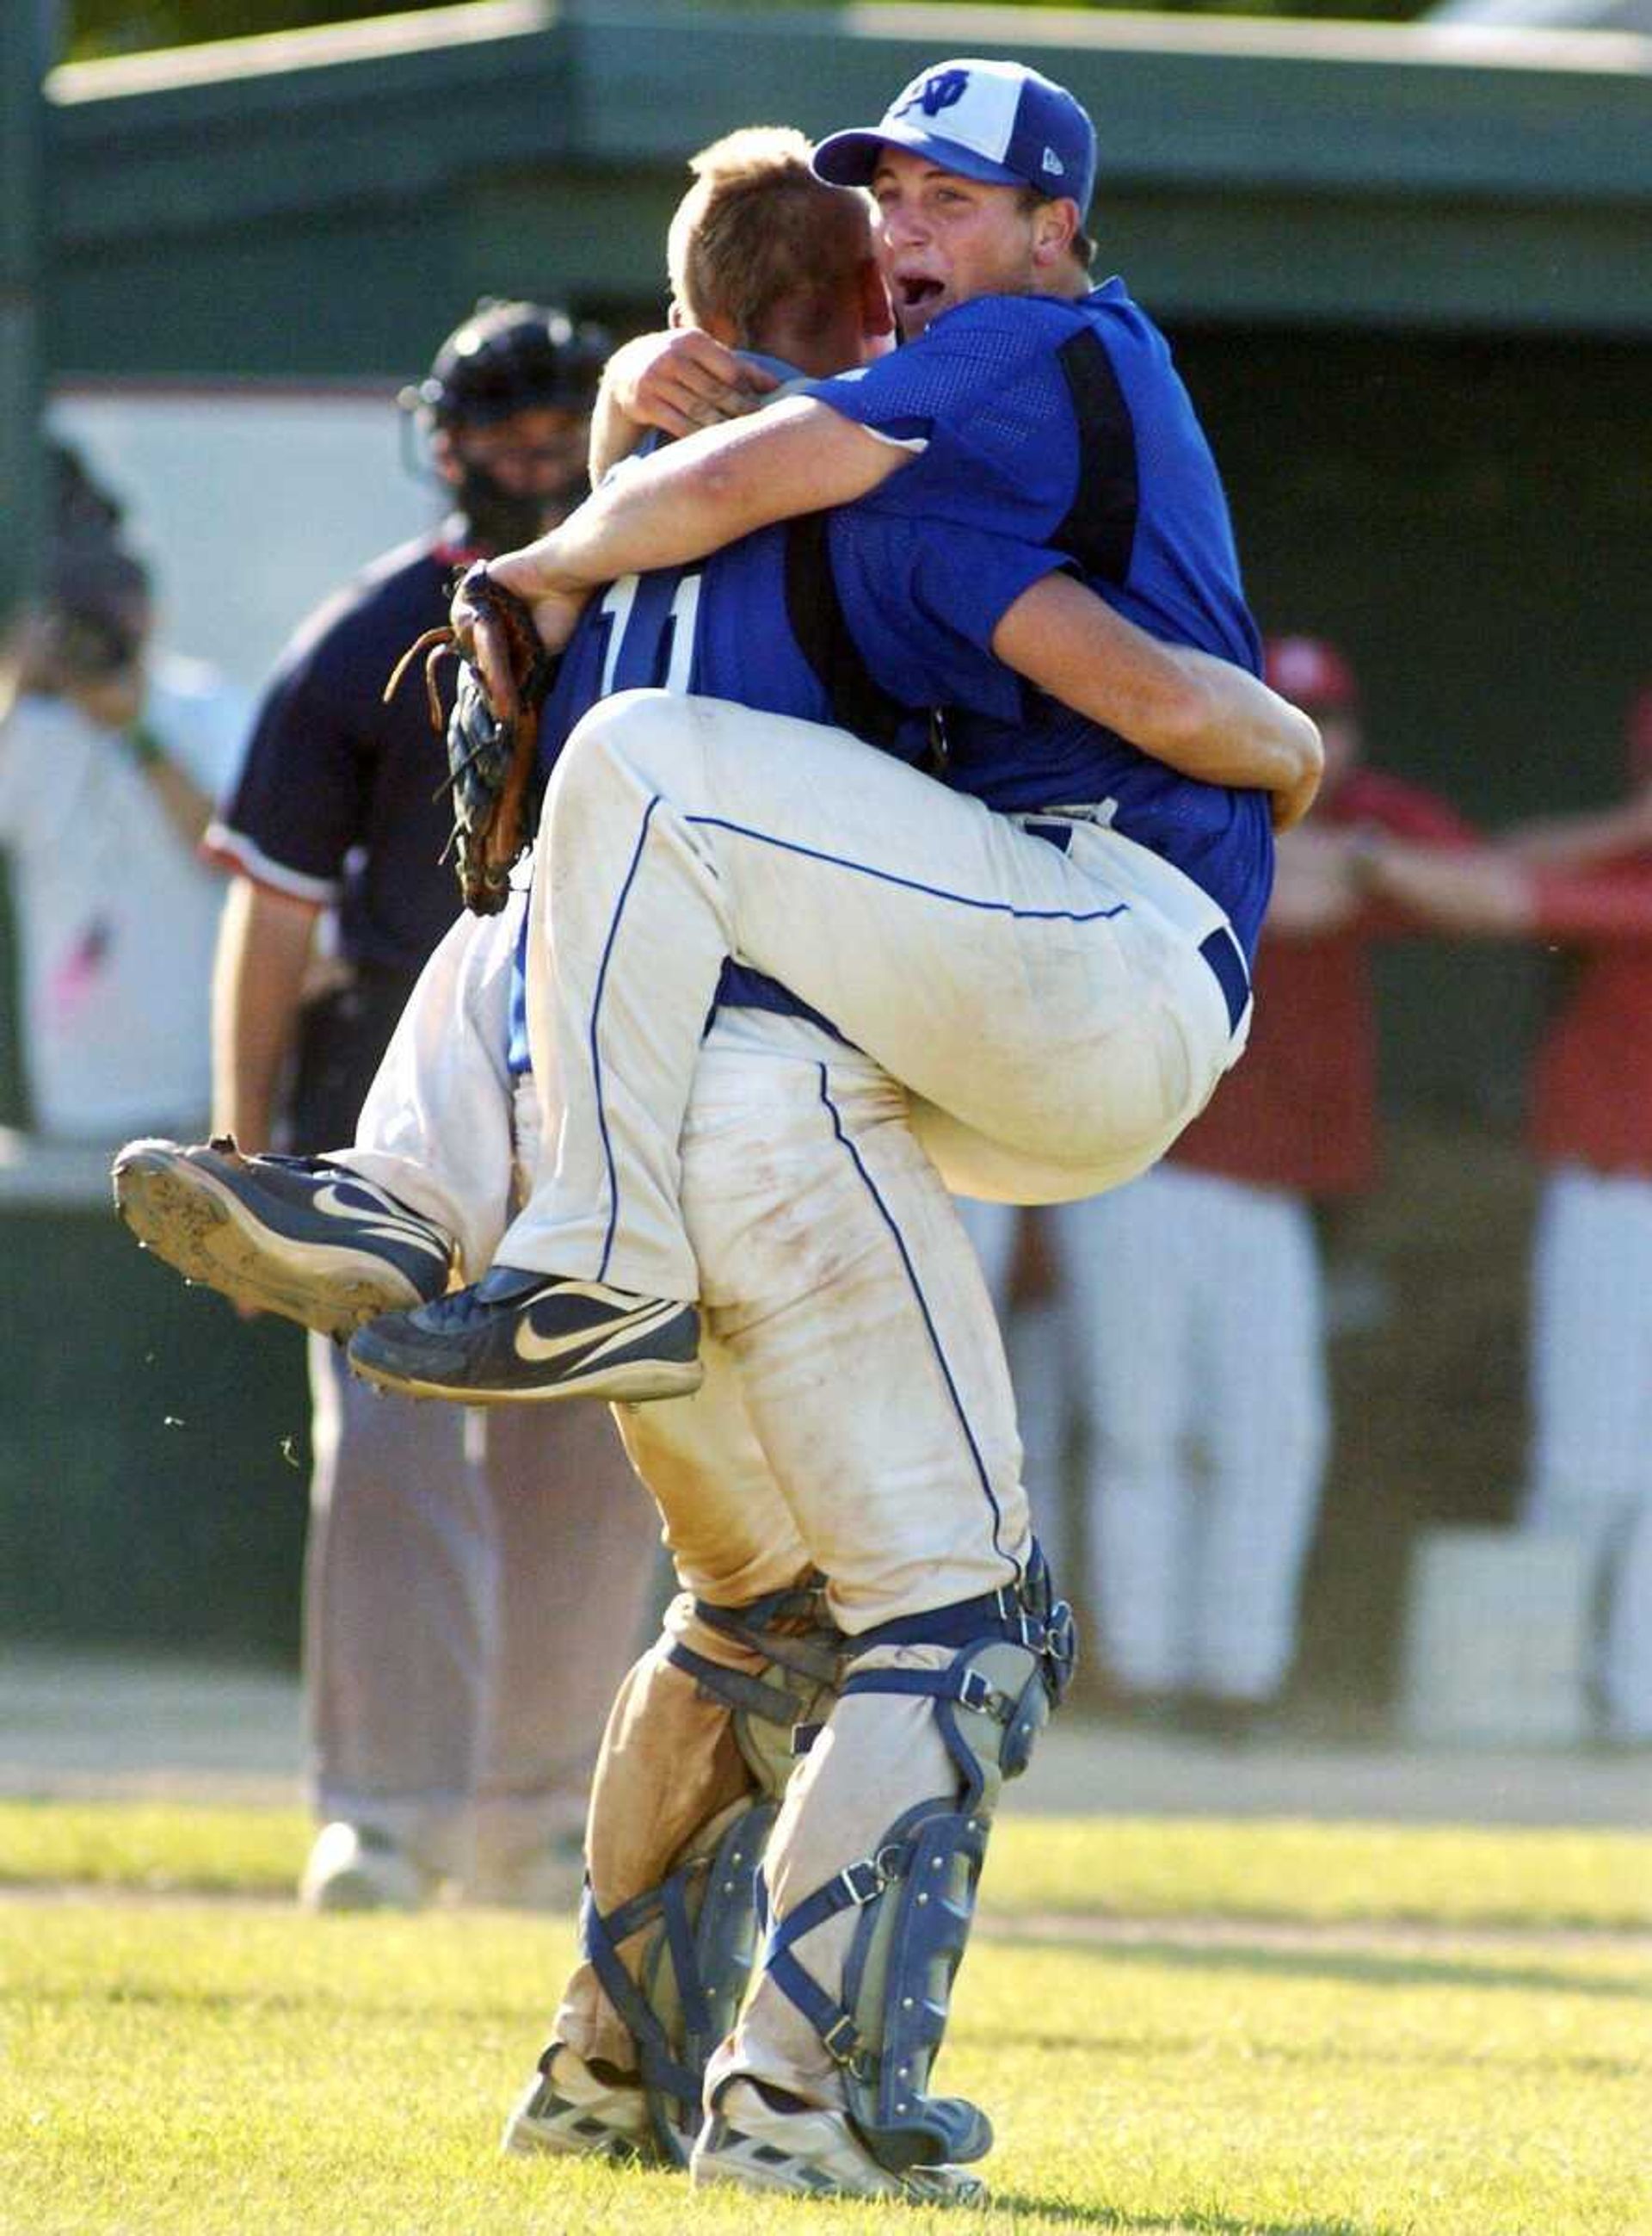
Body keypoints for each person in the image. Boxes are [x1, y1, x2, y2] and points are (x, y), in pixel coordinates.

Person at [114, 109, 1316, 2200]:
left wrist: (574, 527)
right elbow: (1153, 696)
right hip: (843, 1065)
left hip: (695, 1063)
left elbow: (731, 580)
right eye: (886, 219)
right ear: (848, 314)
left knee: (757, 1609)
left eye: (945, 201)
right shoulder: (893, 492)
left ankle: (414, 1206)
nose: (911, 244)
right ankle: (801, 2102)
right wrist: (1277, 742)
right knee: (946, 1618)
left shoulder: (839, 455)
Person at [194, 300, 660, 1911]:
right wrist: (243, 1148)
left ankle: (536, 1813)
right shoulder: (378, 630)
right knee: (396, 1453)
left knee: (590, 1466)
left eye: (559, 426)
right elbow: (268, 904)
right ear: (449, 442)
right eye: (509, 429)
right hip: (385, 1098)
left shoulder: (662, 603)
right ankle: (386, 1810)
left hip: (599, 1084)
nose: (536, 458)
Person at [1040, 636, 1477, 1737]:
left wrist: (1364, 852)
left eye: (1328, 719)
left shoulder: (1360, 817)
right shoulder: (1165, 802)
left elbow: (1477, 875)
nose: (1312, 738)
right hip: (1142, 1168)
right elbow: (1292, 900)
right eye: (1291, 713)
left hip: (1270, 1188)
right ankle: (1139, 1666)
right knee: (1143, 1424)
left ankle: (1236, 1675)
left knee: (1276, 1429)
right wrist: (1353, 859)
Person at [1365, 686, 1652, 1749]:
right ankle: (1531, 1703)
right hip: (1613, 1191)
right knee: (1586, 1461)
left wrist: (1363, 864)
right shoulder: (1618, 860)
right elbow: (1504, 872)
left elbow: (1498, 894)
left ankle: (1634, 1711)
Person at [0, 534, 247, 1141]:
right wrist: (13, 681)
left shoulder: (202, 704)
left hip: (192, 1080)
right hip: (75, 1088)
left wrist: (136, 732)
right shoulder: (32, 726)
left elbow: (228, 849)